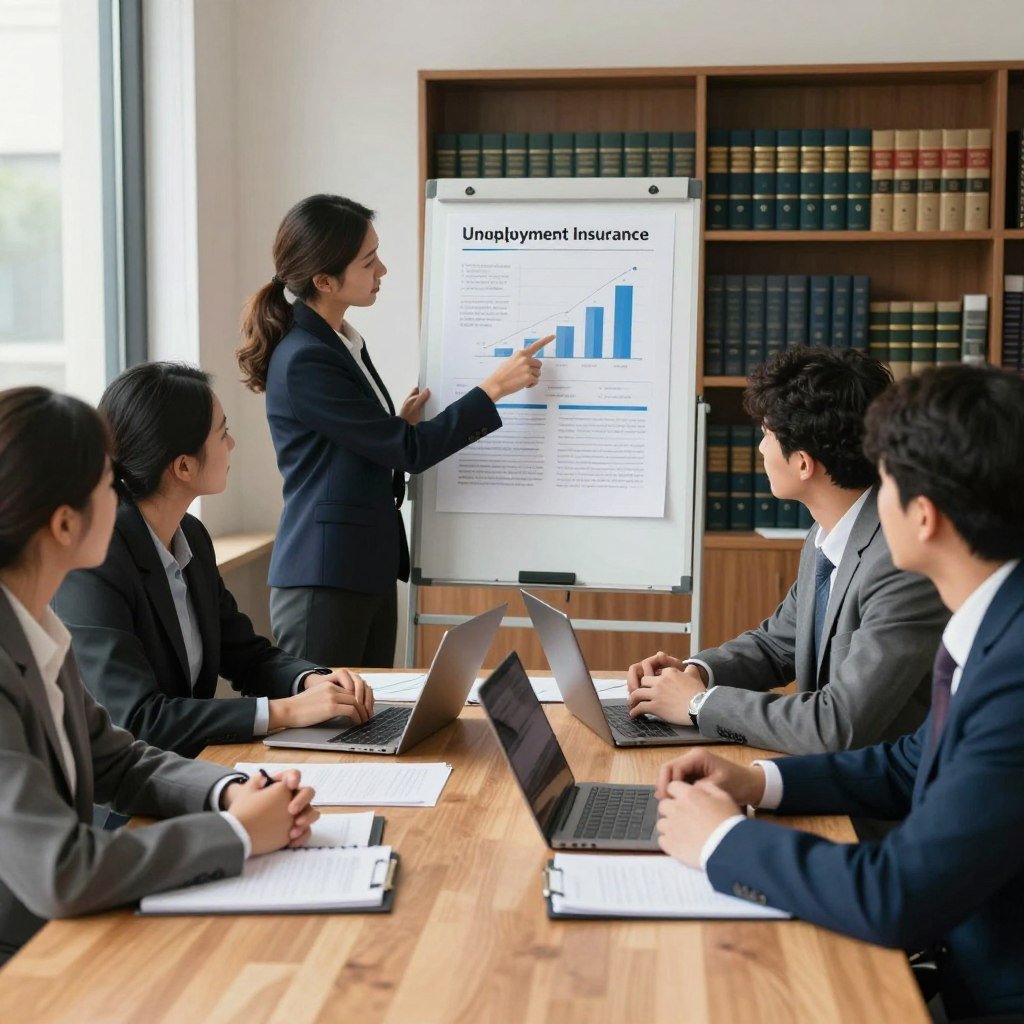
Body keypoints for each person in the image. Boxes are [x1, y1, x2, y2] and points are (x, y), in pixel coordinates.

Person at [653, 365, 1024, 1021]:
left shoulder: (1015, 670)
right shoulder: (998, 623)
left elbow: (895, 895)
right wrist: (758, 783)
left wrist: (719, 843)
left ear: (924, 516)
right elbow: (912, 762)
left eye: (882, 481)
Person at [0, 386, 319, 963]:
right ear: (65, 525)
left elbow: (115, 759)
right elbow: (62, 871)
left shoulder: (34, 623)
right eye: (105, 481)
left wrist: (231, 792)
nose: (119, 490)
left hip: (64, 929)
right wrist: (240, 833)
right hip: (28, 957)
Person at [237, 194, 551, 667]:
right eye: (369, 262)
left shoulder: (339, 341)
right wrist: (492, 389)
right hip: (325, 579)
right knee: (322, 730)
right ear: (324, 280)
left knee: (368, 721)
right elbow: (410, 451)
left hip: (361, 567)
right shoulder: (306, 357)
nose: (382, 270)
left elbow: (349, 444)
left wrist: (392, 425)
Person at [626, 347, 948, 755]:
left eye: (767, 434)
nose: (760, 449)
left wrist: (695, 704)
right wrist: (695, 673)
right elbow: (777, 644)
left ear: (802, 464)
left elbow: (836, 725)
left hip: (878, 804)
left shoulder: (902, 562)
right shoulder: (829, 532)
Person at [54, 363, 374, 759]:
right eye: (223, 433)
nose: (232, 444)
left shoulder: (191, 536)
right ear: (184, 466)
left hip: (187, 770)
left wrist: (311, 681)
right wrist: (285, 711)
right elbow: (137, 719)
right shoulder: (94, 561)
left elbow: (246, 655)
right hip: (120, 805)